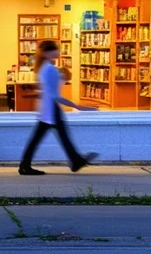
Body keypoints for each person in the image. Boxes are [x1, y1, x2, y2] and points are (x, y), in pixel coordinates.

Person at [19, 39, 98, 176]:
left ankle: (74, 160)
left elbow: (46, 92)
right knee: (55, 135)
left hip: (47, 108)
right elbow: (55, 95)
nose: (58, 52)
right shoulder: (50, 70)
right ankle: (75, 160)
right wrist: (76, 105)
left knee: (48, 136)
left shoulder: (44, 68)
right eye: (55, 49)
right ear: (48, 53)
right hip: (51, 109)